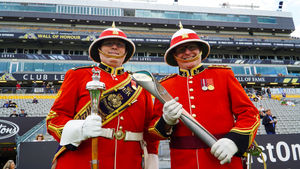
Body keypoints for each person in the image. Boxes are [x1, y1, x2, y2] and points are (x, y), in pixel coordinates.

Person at [46, 23, 159, 169]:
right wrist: (80, 128)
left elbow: (148, 131)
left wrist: (152, 160)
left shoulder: (140, 84)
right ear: (98, 49)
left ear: (126, 52)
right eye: (108, 43)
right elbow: (54, 118)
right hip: (83, 161)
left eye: (119, 44)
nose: (114, 47)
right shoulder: (78, 75)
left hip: (129, 161)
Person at [150, 25, 260, 169]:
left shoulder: (223, 75)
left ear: (201, 50)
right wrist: (166, 121)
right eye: (181, 49)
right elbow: (153, 130)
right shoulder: (165, 85)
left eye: (192, 47)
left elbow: (249, 114)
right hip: (183, 162)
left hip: (222, 159)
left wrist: (233, 141)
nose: (187, 52)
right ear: (174, 55)